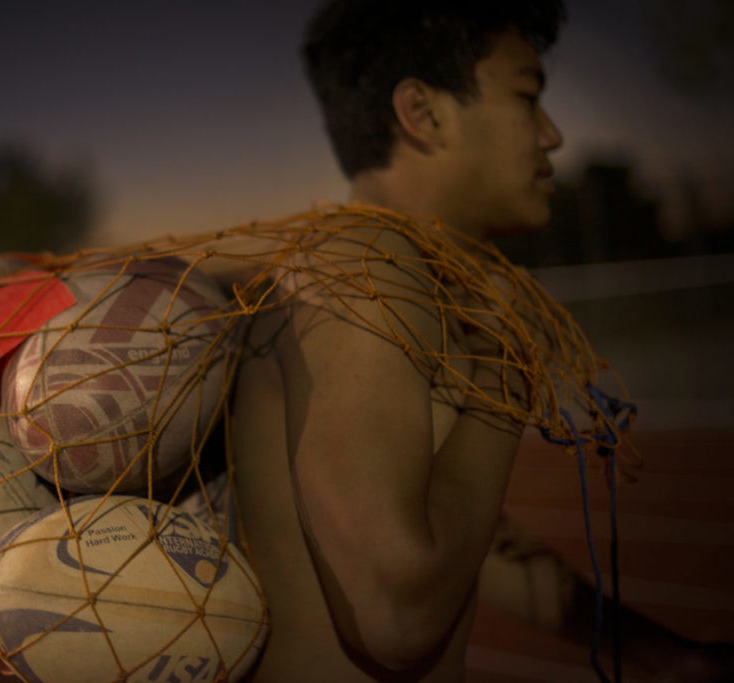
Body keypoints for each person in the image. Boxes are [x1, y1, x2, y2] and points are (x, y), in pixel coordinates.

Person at [220, 1, 731, 681]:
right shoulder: (362, 264)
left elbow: (476, 542)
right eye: (528, 96)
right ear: (424, 114)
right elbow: (397, 615)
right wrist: (507, 363)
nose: (551, 135)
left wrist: (668, 657)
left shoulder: (417, 275)